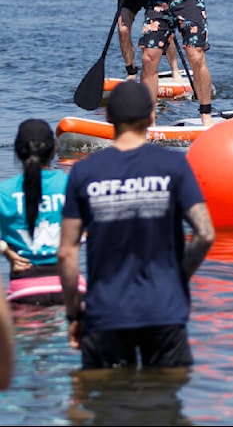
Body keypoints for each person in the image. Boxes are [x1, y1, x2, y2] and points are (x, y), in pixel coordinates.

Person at [58, 79, 216, 369]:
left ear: (108, 118)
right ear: (152, 116)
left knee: (106, 404)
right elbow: (205, 233)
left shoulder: (84, 172)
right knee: (167, 402)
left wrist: (74, 315)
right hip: (164, 309)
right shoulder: (174, 166)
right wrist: (178, 278)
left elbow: (67, 253)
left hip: (106, 312)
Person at [0, 119, 86, 305]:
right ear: (54, 149)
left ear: (17, 150)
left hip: (25, 291)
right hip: (70, 287)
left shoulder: (4, 192)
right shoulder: (73, 185)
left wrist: (6, 251)